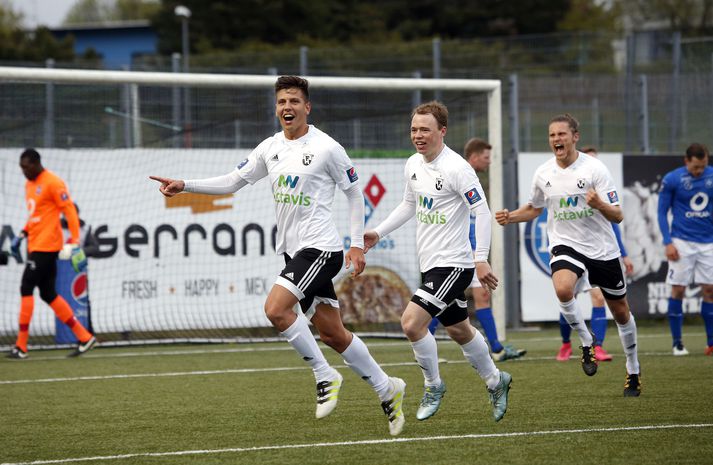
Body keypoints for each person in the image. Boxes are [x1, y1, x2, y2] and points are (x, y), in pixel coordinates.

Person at [150, 76, 406, 436]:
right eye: (282, 101)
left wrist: (357, 245)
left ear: (307, 107)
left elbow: (354, 194)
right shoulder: (269, 147)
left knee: (275, 309)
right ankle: (386, 387)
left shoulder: (327, 147)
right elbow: (233, 181)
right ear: (276, 108)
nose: (288, 107)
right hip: (292, 252)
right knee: (333, 334)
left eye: (294, 101)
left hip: (321, 249)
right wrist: (185, 185)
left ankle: (324, 375)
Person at [364, 101, 512, 423]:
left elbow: (482, 211)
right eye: (414, 129)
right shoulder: (413, 164)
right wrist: (377, 231)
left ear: (442, 131)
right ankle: (495, 380)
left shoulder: (457, 168)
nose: (418, 135)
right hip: (431, 265)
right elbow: (408, 204)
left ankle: (433, 386)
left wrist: (481, 259)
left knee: (411, 323)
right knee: (459, 329)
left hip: (455, 265)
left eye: (425, 130)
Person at [495, 114, 642, 397]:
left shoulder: (595, 170)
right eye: (552, 135)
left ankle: (633, 370)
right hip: (565, 244)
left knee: (621, 312)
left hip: (601, 248)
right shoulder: (544, 173)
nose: (556, 140)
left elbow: (618, 215)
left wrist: (599, 203)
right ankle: (586, 340)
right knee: (563, 288)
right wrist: (510, 216)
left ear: (575, 137)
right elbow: (535, 208)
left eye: (562, 134)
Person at [428, 138, 526, 362]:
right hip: (456, 254)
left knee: (482, 296)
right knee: (440, 301)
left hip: (473, 254)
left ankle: (497, 348)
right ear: (473, 157)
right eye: (485, 157)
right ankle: (423, 340)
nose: (488, 162)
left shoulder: (473, 182)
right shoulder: (455, 174)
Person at [7, 148, 96, 359]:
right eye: (21, 167)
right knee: (48, 294)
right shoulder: (29, 185)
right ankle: (84, 336)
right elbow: (36, 215)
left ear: (36, 163)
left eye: (26, 167)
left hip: (47, 247)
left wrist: (74, 241)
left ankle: (21, 346)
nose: (23, 171)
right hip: (35, 244)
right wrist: (22, 233)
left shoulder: (53, 182)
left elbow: (69, 211)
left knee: (26, 286)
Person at [556, 146, 635, 362]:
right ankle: (565, 344)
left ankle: (597, 346)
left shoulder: (601, 186)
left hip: (598, 252)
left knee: (599, 297)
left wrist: (624, 253)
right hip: (572, 250)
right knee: (566, 293)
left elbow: (614, 223)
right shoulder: (563, 184)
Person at [657, 142, 713, 356]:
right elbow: (662, 212)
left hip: (708, 242)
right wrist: (667, 241)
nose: (699, 171)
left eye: (703, 166)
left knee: (709, 290)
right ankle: (677, 343)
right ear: (686, 161)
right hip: (681, 242)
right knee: (678, 289)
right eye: (696, 167)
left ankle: (711, 343)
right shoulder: (672, 179)